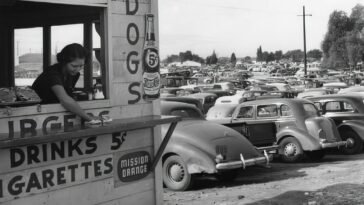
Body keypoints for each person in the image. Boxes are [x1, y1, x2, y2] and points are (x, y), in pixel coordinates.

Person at [32, 43, 99, 122]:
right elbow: (64, 99)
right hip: (35, 112)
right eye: (74, 66)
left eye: (81, 66)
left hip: (53, 113)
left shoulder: (74, 75)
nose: (77, 70)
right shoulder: (52, 73)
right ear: (64, 62)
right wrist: (89, 118)